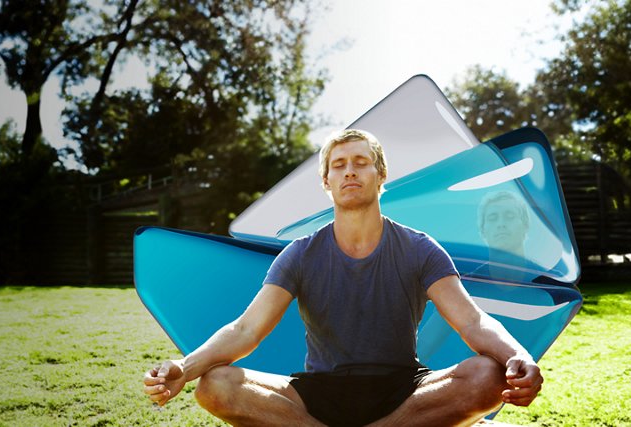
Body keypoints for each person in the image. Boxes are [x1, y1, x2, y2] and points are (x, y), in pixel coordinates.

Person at [141, 129, 543, 426]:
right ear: (327, 182)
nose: (350, 171)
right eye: (339, 165)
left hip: (403, 390)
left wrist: (517, 355)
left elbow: (472, 321)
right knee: (215, 386)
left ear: (380, 174)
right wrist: (184, 366)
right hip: (319, 393)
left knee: (487, 374)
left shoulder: (420, 248)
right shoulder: (299, 253)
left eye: (361, 162)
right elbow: (246, 330)